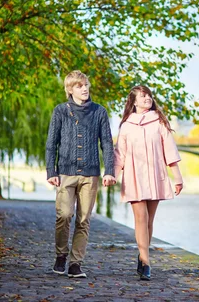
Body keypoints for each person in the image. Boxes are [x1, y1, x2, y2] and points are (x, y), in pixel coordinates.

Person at [45, 70, 116, 278]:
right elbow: (51, 144)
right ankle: (61, 255)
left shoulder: (99, 112)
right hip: (65, 173)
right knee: (64, 215)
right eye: (79, 86)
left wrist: (109, 170)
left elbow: (107, 144)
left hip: (90, 174)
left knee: (84, 220)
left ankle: (75, 264)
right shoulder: (60, 111)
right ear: (70, 89)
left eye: (86, 85)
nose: (84, 89)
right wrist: (51, 171)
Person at [114, 85, 184, 281]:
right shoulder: (127, 125)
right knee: (141, 218)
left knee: (150, 221)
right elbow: (120, 154)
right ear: (134, 101)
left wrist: (177, 177)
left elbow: (170, 150)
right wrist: (113, 175)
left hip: (155, 175)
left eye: (149, 96)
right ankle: (145, 261)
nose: (147, 99)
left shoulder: (159, 122)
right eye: (143, 96)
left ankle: (142, 255)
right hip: (134, 176)